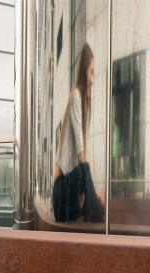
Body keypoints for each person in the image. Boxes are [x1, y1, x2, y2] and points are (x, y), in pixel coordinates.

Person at [52, 43, 104, 223]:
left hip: (69, 194)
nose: (93, 79)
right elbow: (80, 151)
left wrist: (91, 194)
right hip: (62, 193)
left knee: (85, 171)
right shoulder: (75, 95)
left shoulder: (79, 100)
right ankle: (97, 211)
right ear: (84, 72)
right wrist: (93, 194)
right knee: (85, 169)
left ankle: (96, 209)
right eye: (91, 72)